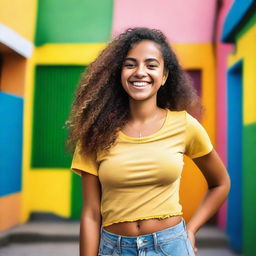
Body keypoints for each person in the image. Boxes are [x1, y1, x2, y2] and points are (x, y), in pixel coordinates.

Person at [66, 27, 230, 256]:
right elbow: (91, 214)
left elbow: (220, 183)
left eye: (151, 65)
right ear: (119, 73)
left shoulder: (185, 125)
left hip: (171, 246)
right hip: (115, 249)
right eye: (130, 64)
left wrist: (190, 230)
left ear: (163, 77)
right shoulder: (95, 134)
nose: (140, 72)